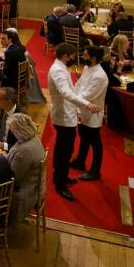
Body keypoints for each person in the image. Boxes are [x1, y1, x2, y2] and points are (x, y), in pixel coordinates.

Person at [47, 43, 101, 201]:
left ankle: (59, 175)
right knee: (65, 151)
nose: (74, 59)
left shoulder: (60, 66)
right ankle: (60, 184)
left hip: (66, 113)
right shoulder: (58, 70)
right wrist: (86, 104)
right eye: (72, 56)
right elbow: (65, 93)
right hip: (63, 116)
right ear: (65, 56)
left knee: (62, 147)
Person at [71, 46, 109, 181]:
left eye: (86, 55)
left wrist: (73, 102)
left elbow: (88, 94)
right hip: (83, 108)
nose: (83, 57)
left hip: (93, 113)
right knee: (84, 136)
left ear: (94, 58)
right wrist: (73, 95)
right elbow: (80, 85)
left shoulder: (99, 76)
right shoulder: (88, 68)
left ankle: (95, 171)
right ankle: (80, 161)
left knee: (95, 142)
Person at [4, 113, 45, 225]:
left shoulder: (25, 151)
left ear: (19, 130)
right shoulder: (32, 138)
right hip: (29, 185)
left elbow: (12, 178)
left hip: (21, 194)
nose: (11, 133)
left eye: (13, 130)